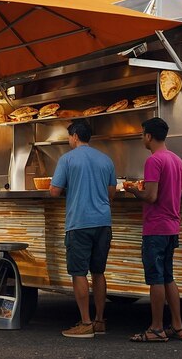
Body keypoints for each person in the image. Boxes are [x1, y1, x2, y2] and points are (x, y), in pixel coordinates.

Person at [49, 120, 116, 338]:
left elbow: (54, 191)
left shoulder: (67, 160)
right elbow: (111, 193)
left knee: (78, 272)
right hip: (103, 222)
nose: (69, 140)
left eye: (69, 137)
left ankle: (85, 322)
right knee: (98, 272)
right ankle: (99, 321)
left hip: (79, 223)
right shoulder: (106, 160)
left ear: (75, 136)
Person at [125, 117, 182, 342]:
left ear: (149, 136)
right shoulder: (176, 160)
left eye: (143, 134)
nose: (142, 138)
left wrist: (133, 190)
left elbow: (151, 196)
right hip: (172, 226)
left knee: (156, 278)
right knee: (169, 276)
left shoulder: (154, 161)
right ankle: (178, 326)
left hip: (156, 227)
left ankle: (157, 328)